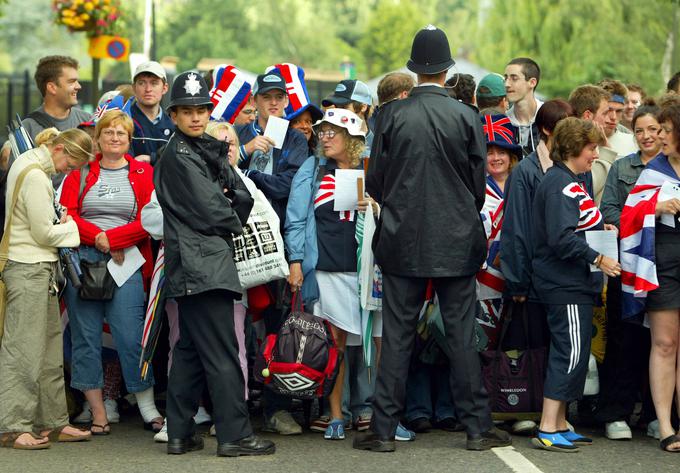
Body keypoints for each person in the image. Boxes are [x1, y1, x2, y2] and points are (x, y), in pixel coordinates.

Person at [354, 25, 511, 453]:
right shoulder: (466, 116)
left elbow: (378, 183)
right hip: (457, 238)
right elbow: (478, 186)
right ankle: (477, 428)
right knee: (460, 336)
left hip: (403, 238)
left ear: (414, 68)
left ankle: (383, 430)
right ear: (446, 69)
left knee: (399, 336)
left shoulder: (391, 116)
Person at [154, 71, 274, 457]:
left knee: (189, 352)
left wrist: (227, 201)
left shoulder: (202, 149)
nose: (195, 117)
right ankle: (235, 436)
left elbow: (239, 194)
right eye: (186, 111)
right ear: (173, 115)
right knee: (223, 354)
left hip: (199, 265)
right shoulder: (178, 155)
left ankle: (180, 432)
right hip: (201, 266)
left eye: (201, 110)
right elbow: (217, 211)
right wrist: (227, 206)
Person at [60, 110, 162, 436]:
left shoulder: (144, 172)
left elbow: (151, 218)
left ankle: (147, 407)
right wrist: (98, 239)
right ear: (98, 138)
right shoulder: (80, 173)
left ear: (130, 139)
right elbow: (67, 215)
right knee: (86, 338)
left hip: (126, 260)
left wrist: (114, 239)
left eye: (121, 133)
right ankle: (99, 412)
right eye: (109, 133)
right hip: (83, 262)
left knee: (131, 337)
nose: (115, 138)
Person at [530, 117, 621, 452]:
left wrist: (601, 232)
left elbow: (574, 227)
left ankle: (560, 422)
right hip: (564, 283)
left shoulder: (569, 180)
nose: (594, 154)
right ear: (572, 148)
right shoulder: (561, 184)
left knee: (575, 353)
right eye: (591, 148)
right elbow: (560, 238)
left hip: (573, 283)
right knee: (568, 354)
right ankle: (547, 426)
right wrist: (598, 258)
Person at [0, 127, 93, 450]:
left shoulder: (29, 163)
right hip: (29, 267)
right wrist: (71, 229)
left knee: (49, 349)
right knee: (23, 350)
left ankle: (52, 422)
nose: (71, 171)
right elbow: (43, 233)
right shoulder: (37, 176)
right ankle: (13, 426)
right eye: (72, 164)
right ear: (59, 150)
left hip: (36, 268)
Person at [286, 108, 374, 441]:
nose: (323, 137)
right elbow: (295, 217)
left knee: (371, 344)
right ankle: (336, 413)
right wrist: (295, 260)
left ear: (351, 138)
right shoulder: (313, 168)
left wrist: (376, 205)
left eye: (331, 132)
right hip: (325, 269)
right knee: (334, 344)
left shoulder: (370, 167)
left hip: (366, 270)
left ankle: (375, 410)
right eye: (321, 132)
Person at [237, 71, 309, 436]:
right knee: (237, 327)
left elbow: (291, 185)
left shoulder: (295, 139)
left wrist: (251, 177)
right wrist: (247, 156)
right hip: (239, 243)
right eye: (268, 97)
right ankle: (238, 404)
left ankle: (278, 408)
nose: (275, 103)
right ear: (256, 100)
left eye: (280, 97)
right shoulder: (238, 135)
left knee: (279, 326)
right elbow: (220, 175)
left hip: (277, 244)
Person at [596, 105, 661, 441]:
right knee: (623, 339)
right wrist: (644, 219)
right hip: (628, 265)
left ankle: (655, 414)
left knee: (660, 343)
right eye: (639, 131)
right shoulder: (623, 166)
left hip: (664, 268)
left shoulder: (671, 168)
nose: (646, 136)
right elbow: (608, 211)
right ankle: (616, 412)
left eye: (652, 129)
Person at [620, 103, 680, 452]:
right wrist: (654, 207)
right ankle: (666, 425)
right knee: (665, 343)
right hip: (663, 261)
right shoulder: (652, 169)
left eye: (666, 130)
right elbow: (629, 213)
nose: (658, 136)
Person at [22, 56, 91, 142]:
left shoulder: (87, 121)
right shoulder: (28, 128)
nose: (79, 86)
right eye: (71, 82)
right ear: (52, 87)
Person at [568, 84, 617, 204]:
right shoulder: (572, 147)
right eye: (604, 113)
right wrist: (606, 148)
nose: (608, 119)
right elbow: (591, 188)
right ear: (587, 116)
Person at [130, 61, 174, 164]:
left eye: (154, 83)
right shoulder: (123, 121)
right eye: (141, 83)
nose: (148, 89)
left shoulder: (173, 125)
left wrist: (152, 158)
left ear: (164, 88)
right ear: (134, 88)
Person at [504, 57, 543, 156]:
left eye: (514, 78)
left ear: (532, 82)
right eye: (505, 78)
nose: (507, 84)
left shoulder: (550, 118)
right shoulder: (503, 122)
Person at [597, 79, 638, 157]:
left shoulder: (633, 142)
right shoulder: (580, 141)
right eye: (608, 110)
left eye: (619, 111)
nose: (613, 117)